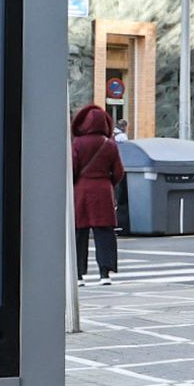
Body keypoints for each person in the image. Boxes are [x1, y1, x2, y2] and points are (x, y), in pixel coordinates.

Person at [72, 104, 126, 286]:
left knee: (79, 233)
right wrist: (108, 183)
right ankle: (105, 273)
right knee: (104, 233)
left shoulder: (77, 143)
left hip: (82, 191)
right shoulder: (109, 144)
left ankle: (79, 275)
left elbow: (72, 169)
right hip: (103, 191)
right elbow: (119, 171)